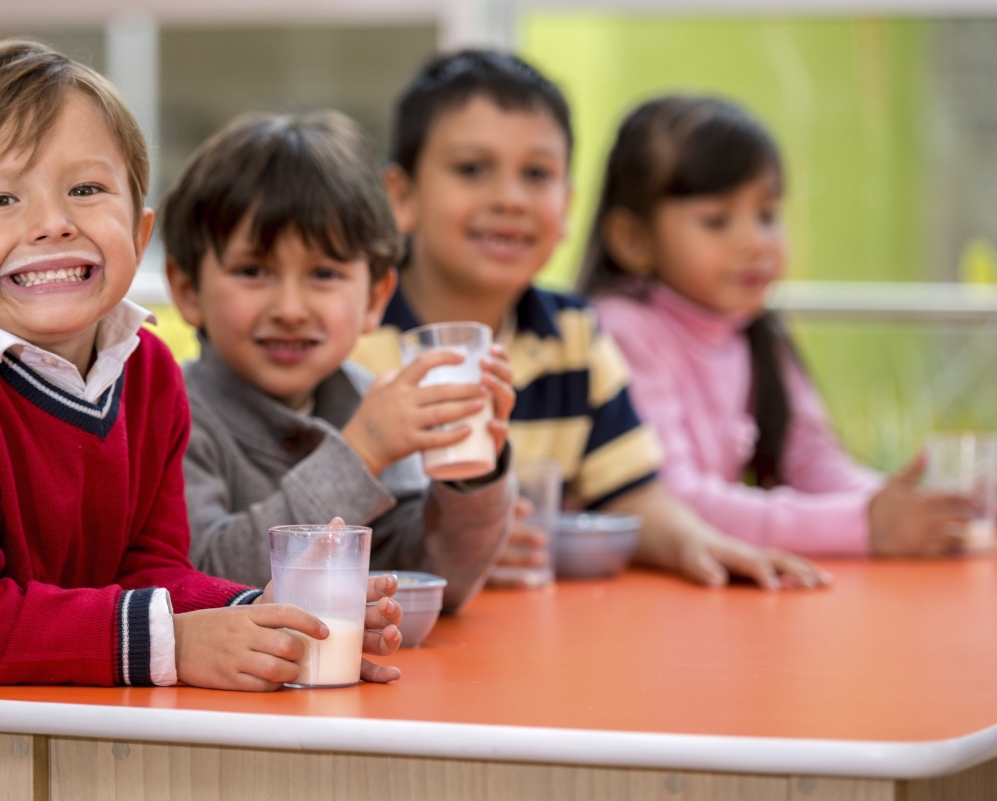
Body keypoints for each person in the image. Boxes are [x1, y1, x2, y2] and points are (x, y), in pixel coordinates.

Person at [0, 41, 400, 798]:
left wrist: (272, 619)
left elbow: (148, 571)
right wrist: (176, 642)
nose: (52, 223)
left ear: (140, 233)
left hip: (41, 745)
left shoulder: (146, 372)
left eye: (86, 189)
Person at [353, 49, 830, 589]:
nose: (509, 198)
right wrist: (453, 546)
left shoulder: (575, 335)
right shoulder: (353, 341)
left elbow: (632, 491)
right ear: (403, 196)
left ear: (568, 207)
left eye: (537, 173)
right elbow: (311, 516)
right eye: (472, 170)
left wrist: (697, 542)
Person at [581, 95, 974, 556]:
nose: (756, 243)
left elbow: (812, 461)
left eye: (767, 215)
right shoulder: (622, 330)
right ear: (632, 239)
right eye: (717, 220)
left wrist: (906, 508)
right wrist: (862, 525)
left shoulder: (753, 328)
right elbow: (672, 504)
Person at [161, 111, 517, 614]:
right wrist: (361, 451)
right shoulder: (170, 415)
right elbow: (203, 579)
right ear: (187, 290)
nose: (289, 309)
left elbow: (435, 580)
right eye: (252, 271)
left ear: (375, 297)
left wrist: (472, 477)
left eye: (323, 273)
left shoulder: (364, 400)